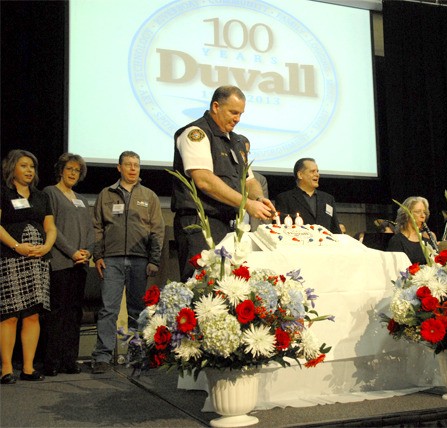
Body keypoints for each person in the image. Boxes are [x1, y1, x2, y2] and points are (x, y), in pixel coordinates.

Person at [172, 86, 275, 281]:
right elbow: (204, 181)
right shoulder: (196, 133)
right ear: (216, 106)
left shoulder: (236, 141)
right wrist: (246, 204)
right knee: (200, 287)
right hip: (200, 224)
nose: (238, 118)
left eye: (241, 114)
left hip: (229, 225)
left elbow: (249, 180)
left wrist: (259, 199)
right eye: (233, 112)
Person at [91, 151, 164, 374]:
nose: (133, 169)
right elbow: (97, 227)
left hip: (140, 261)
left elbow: (157, 230)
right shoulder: (106, 194)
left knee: (138, 310)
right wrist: (98, 256)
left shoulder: (149, 196)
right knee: (108, 309)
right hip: (111, 260)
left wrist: (154, 260)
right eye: (128, 165)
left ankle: (137, 354)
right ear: (119, 168)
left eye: (137, 165)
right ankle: (102, 356)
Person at [0, 149, 57, 384]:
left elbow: (51, 228)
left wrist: (45, 247)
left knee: (33, 315)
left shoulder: (41, 196)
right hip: (11, 258)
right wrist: (16, 246)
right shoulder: (4, 193)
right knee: (10, 315)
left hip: (37, 261)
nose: (29, 170)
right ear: (12, 168)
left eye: (32, 167)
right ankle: (5, 369)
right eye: (24, 166)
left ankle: (28, 367)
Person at [42, 153, 94, 376]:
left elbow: (90, 230)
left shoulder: (81, 199)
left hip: (80, 264)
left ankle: (69, 360)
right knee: (57, 312)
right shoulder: (50, 193)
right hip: (61, 262)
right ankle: (51, 362)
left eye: (77, 171)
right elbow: (52, 228)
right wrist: (72, 252)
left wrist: (87, 251)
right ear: (61, 170)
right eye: (69, 169)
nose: (73, 173)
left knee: (74, 313)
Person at [275, 158, 342, 234]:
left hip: (325, 244)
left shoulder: (328, 199)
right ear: (300, 175)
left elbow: (335, 229)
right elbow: (280, 229)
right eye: (312, 171)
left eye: (317, 171)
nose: (317, 175)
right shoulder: (285, 198)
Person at [386, 196, 438, 265]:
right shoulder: (397, 241)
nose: (423, 216)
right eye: (418, 212)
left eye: (424, 212)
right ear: (406, 215)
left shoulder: (428, 238)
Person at [236, 134, 270, 232]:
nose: (244, 157)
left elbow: (264, 213)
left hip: (251, 232)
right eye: (241, 153)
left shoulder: (259, 179)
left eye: (246, 153)